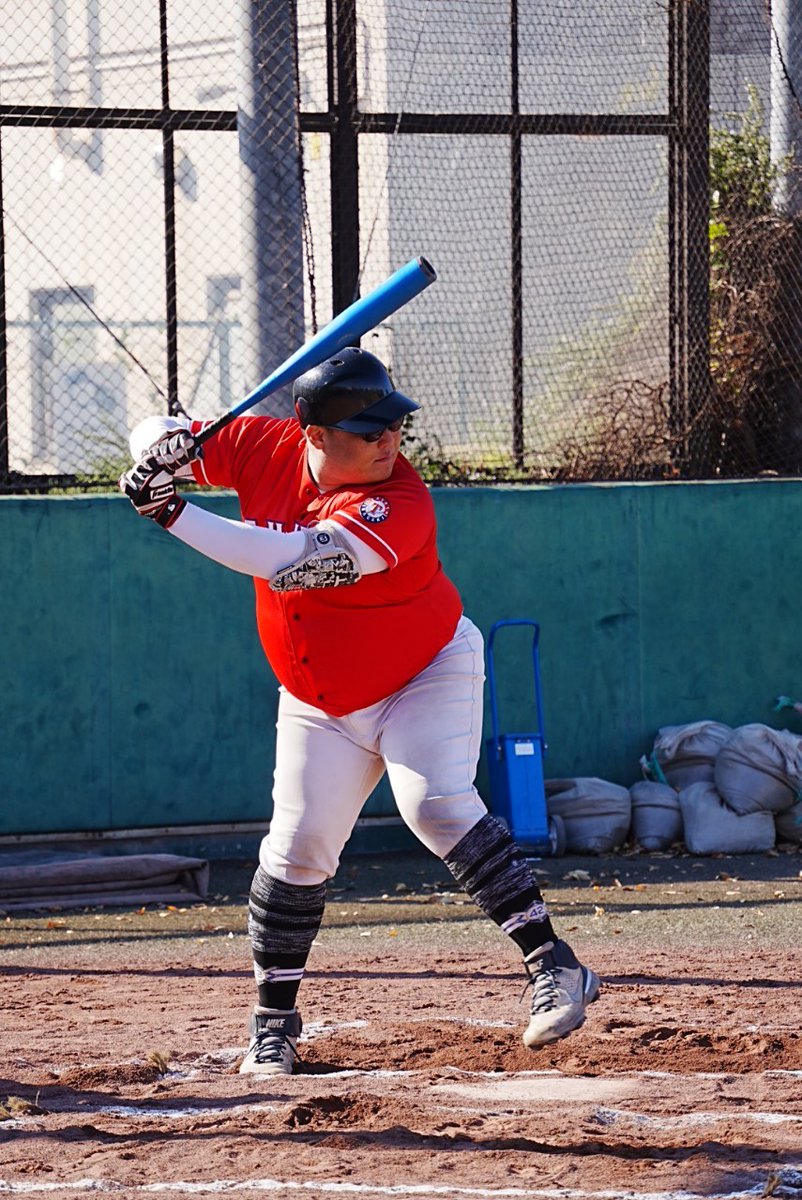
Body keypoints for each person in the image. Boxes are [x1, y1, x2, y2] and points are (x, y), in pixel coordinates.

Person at [119, 346, 600, 1076]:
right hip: (319, 698)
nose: (389, 441)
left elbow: (286, 559)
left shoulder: (399, 500)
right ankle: (273, 1024)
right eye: (369, 429)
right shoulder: (261, 446)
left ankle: (554, 965)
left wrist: (172, 511)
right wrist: (160, 446)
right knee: (297, 847)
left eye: (392, 426)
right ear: (314, 435)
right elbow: (156, 430)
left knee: (433, 803)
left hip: (423, 673)